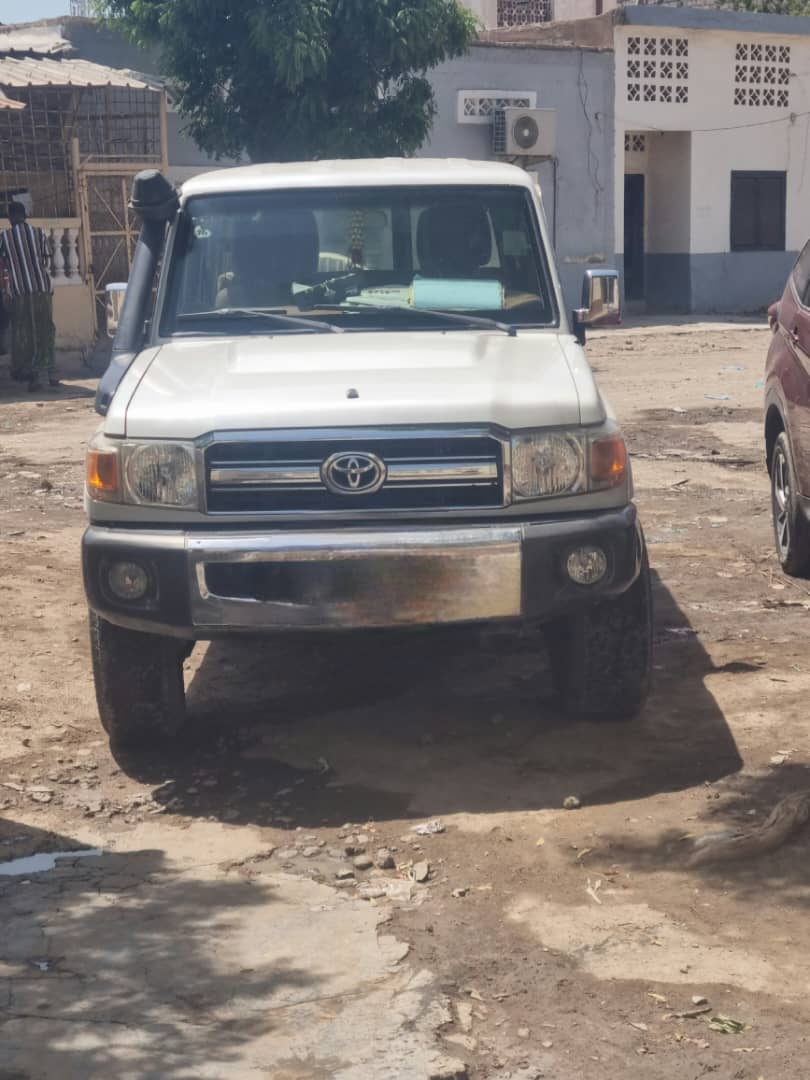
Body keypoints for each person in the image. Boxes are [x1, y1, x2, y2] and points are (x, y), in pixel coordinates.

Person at [0, 202, 57, 390]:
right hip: (42, 289)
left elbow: (2, 267)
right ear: (25, 215)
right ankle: (49, 371)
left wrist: (5, 290)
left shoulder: (4, 238)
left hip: (20, 291)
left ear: (11, 217)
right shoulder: (39, 234)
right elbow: (47, 261)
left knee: (24, 331)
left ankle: (30, 373)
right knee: (45, 328)